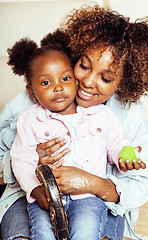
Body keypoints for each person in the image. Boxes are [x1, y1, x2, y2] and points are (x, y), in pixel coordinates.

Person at [0, 5, 148, 240]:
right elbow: (9, 160)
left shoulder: (123, 113)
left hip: (97, 200)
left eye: (106, 77)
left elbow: (142, 179)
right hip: (35, 195)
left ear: (124, 82)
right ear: (75, 55)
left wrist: (95, 184)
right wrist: (33, 162)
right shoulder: (32, 102)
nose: (88, 81)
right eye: (84, 65)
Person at [9, 32, 136, 240]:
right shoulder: (29, 120)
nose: (58, 87)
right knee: (42, 234)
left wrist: (126, 154)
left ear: (75, 82)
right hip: (47, 196)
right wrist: (36, 190)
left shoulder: (102, 116)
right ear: (31, 93)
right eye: (45, 83)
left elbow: (116, 143)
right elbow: (21, 160)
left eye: (65, 78)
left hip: (87, 197)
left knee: (86, 231)